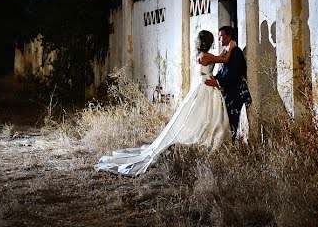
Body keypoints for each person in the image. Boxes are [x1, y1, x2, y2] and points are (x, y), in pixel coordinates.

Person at [94, 30, 232, 177]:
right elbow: (224, 60)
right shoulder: (207, 56)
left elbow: (219, 58)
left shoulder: (200, 55)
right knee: (207, 115)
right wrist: (231, 46)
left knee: (201, 115)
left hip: (204, 85)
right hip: (207, 88)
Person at [204, 25, 252, 140]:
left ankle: (232, 145)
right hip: (228, 92)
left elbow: (234, 73)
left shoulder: (236, 52)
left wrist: (218, 82)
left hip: (236, 93)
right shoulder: (226, 51)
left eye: (221, 36)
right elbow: (222, 71)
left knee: (232, 121)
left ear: (229, 37)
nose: (219, 39)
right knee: (226, 121)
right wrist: (214, 78)